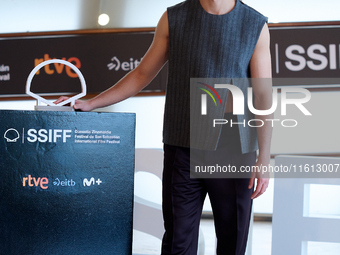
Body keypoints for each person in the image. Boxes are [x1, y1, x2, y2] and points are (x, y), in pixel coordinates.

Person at [55, 0, 272, 254]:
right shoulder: (173, 18)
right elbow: (141, 74)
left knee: (232, 241)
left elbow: (263, 95)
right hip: (182, 145)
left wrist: (264, 157)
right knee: (178, 242)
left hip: (234, 150)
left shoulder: (255, 24)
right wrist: (92, 103)